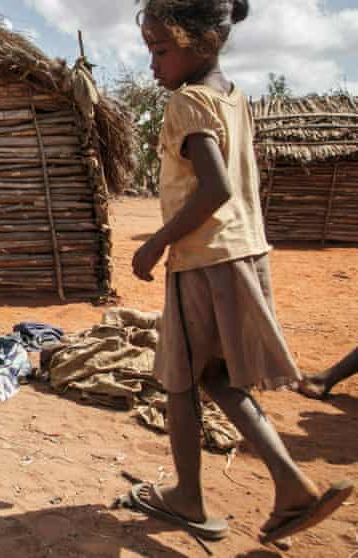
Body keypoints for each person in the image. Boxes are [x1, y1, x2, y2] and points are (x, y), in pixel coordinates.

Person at [128, 0, 352, 544]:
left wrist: (156, 243)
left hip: (202, 260)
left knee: (179, 381)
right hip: (246, 254)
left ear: (198, 43)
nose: (153, 65)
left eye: (160, 50)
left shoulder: (187, 103)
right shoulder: (235, 98)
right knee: (217, 377)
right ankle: (291, 484)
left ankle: (187, 496)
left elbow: (216, 187)